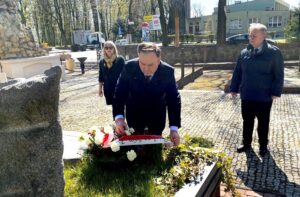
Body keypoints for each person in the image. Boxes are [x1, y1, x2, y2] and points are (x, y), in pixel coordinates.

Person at [230, 23, 284, 156]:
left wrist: (276, 91)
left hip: (264, 96)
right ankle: (246, 143)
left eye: (254, 35)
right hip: (247, 94)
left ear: (263, 35)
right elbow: (237, 72)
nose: (251, 38)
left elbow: (279, 73)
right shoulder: (244, 53)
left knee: (263, 123)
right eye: (250, 35)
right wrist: (234, 88)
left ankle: (263, 145)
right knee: (247, 121)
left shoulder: (274, 53)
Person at [112, 43, 181, 146]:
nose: (146, 69)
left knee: (155, 151)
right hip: (134, 116)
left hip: (156, 118)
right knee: (135, 149)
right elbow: (119, 93)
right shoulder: (129, 68)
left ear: (158, 59)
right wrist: (119, 118)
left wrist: (174, 129)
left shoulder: (167, 71)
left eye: (150, 65)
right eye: (142, 64)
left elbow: (173, 100)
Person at [98, 41, 125, 105]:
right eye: (106, 48)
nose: (108, 49)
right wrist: (100, 89)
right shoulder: (102, 62)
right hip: (108, 88)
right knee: (114, 106)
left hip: (119, 88)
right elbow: (101, 76)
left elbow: (125, 74)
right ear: (104, 49)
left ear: (114, 48)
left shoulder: (120, 60)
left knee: (121, 106)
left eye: (111, 48)